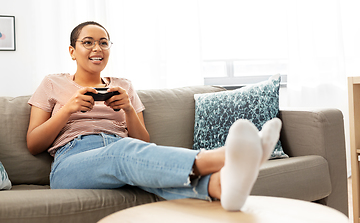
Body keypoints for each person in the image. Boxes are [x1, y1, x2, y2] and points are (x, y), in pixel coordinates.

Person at [26, 21, 282, 211]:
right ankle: (228, 155)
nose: (97, 48)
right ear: (72, 51)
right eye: (88, 42)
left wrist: (127, 109)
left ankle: (220, 186)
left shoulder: (124, 85)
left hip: (122, 150)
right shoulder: (52, 83)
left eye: (104, 42)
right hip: (71, 162)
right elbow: (34, 143)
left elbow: (144, 142)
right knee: (124, 152)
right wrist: (68, 109)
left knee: (134, 159)